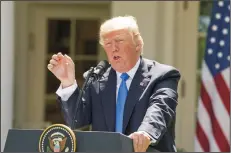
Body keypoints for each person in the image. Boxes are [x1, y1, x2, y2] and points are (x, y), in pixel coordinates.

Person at [47, 15, 181, 152]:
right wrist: (67, 82)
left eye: (119, 41)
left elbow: (160, 109)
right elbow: (78, 120)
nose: (113, 48)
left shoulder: (163, 75)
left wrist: (145, 133)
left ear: (138, 45)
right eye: (108, 44)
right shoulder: (97, 78)